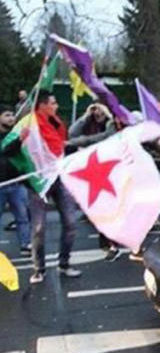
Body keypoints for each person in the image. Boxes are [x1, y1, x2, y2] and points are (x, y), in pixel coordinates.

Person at [29, 90, 82, 283]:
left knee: (70, 222)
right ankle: (39, 268)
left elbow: (59, 146)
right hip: (39, 181)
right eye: (53, 103)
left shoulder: (57, 123)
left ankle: (64, 264)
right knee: (38, 228)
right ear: (42, 105)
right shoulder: (31, 125)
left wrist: (73, 148)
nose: (56, 106)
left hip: (59, 178)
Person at [66, 103, 120, 260]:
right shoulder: (88, 122)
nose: (96, 112)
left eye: (99, 108)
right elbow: (72, 133)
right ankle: (106, 241)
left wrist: (79, 142)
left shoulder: (112, 124)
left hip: (109, 169)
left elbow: (104, 137)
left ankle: (113, 242)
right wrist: (84, 117)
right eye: (93, 109)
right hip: (92, 169)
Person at [0, 105, 31, 255]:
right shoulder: (11, 138)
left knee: (22, 216)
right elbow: (6, 151)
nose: (11, 118)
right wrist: (19, 140)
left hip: (16, 183)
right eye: (7, 115)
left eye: (12, 115)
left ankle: (26, 245)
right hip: (1, 184)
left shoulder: (16, 133)